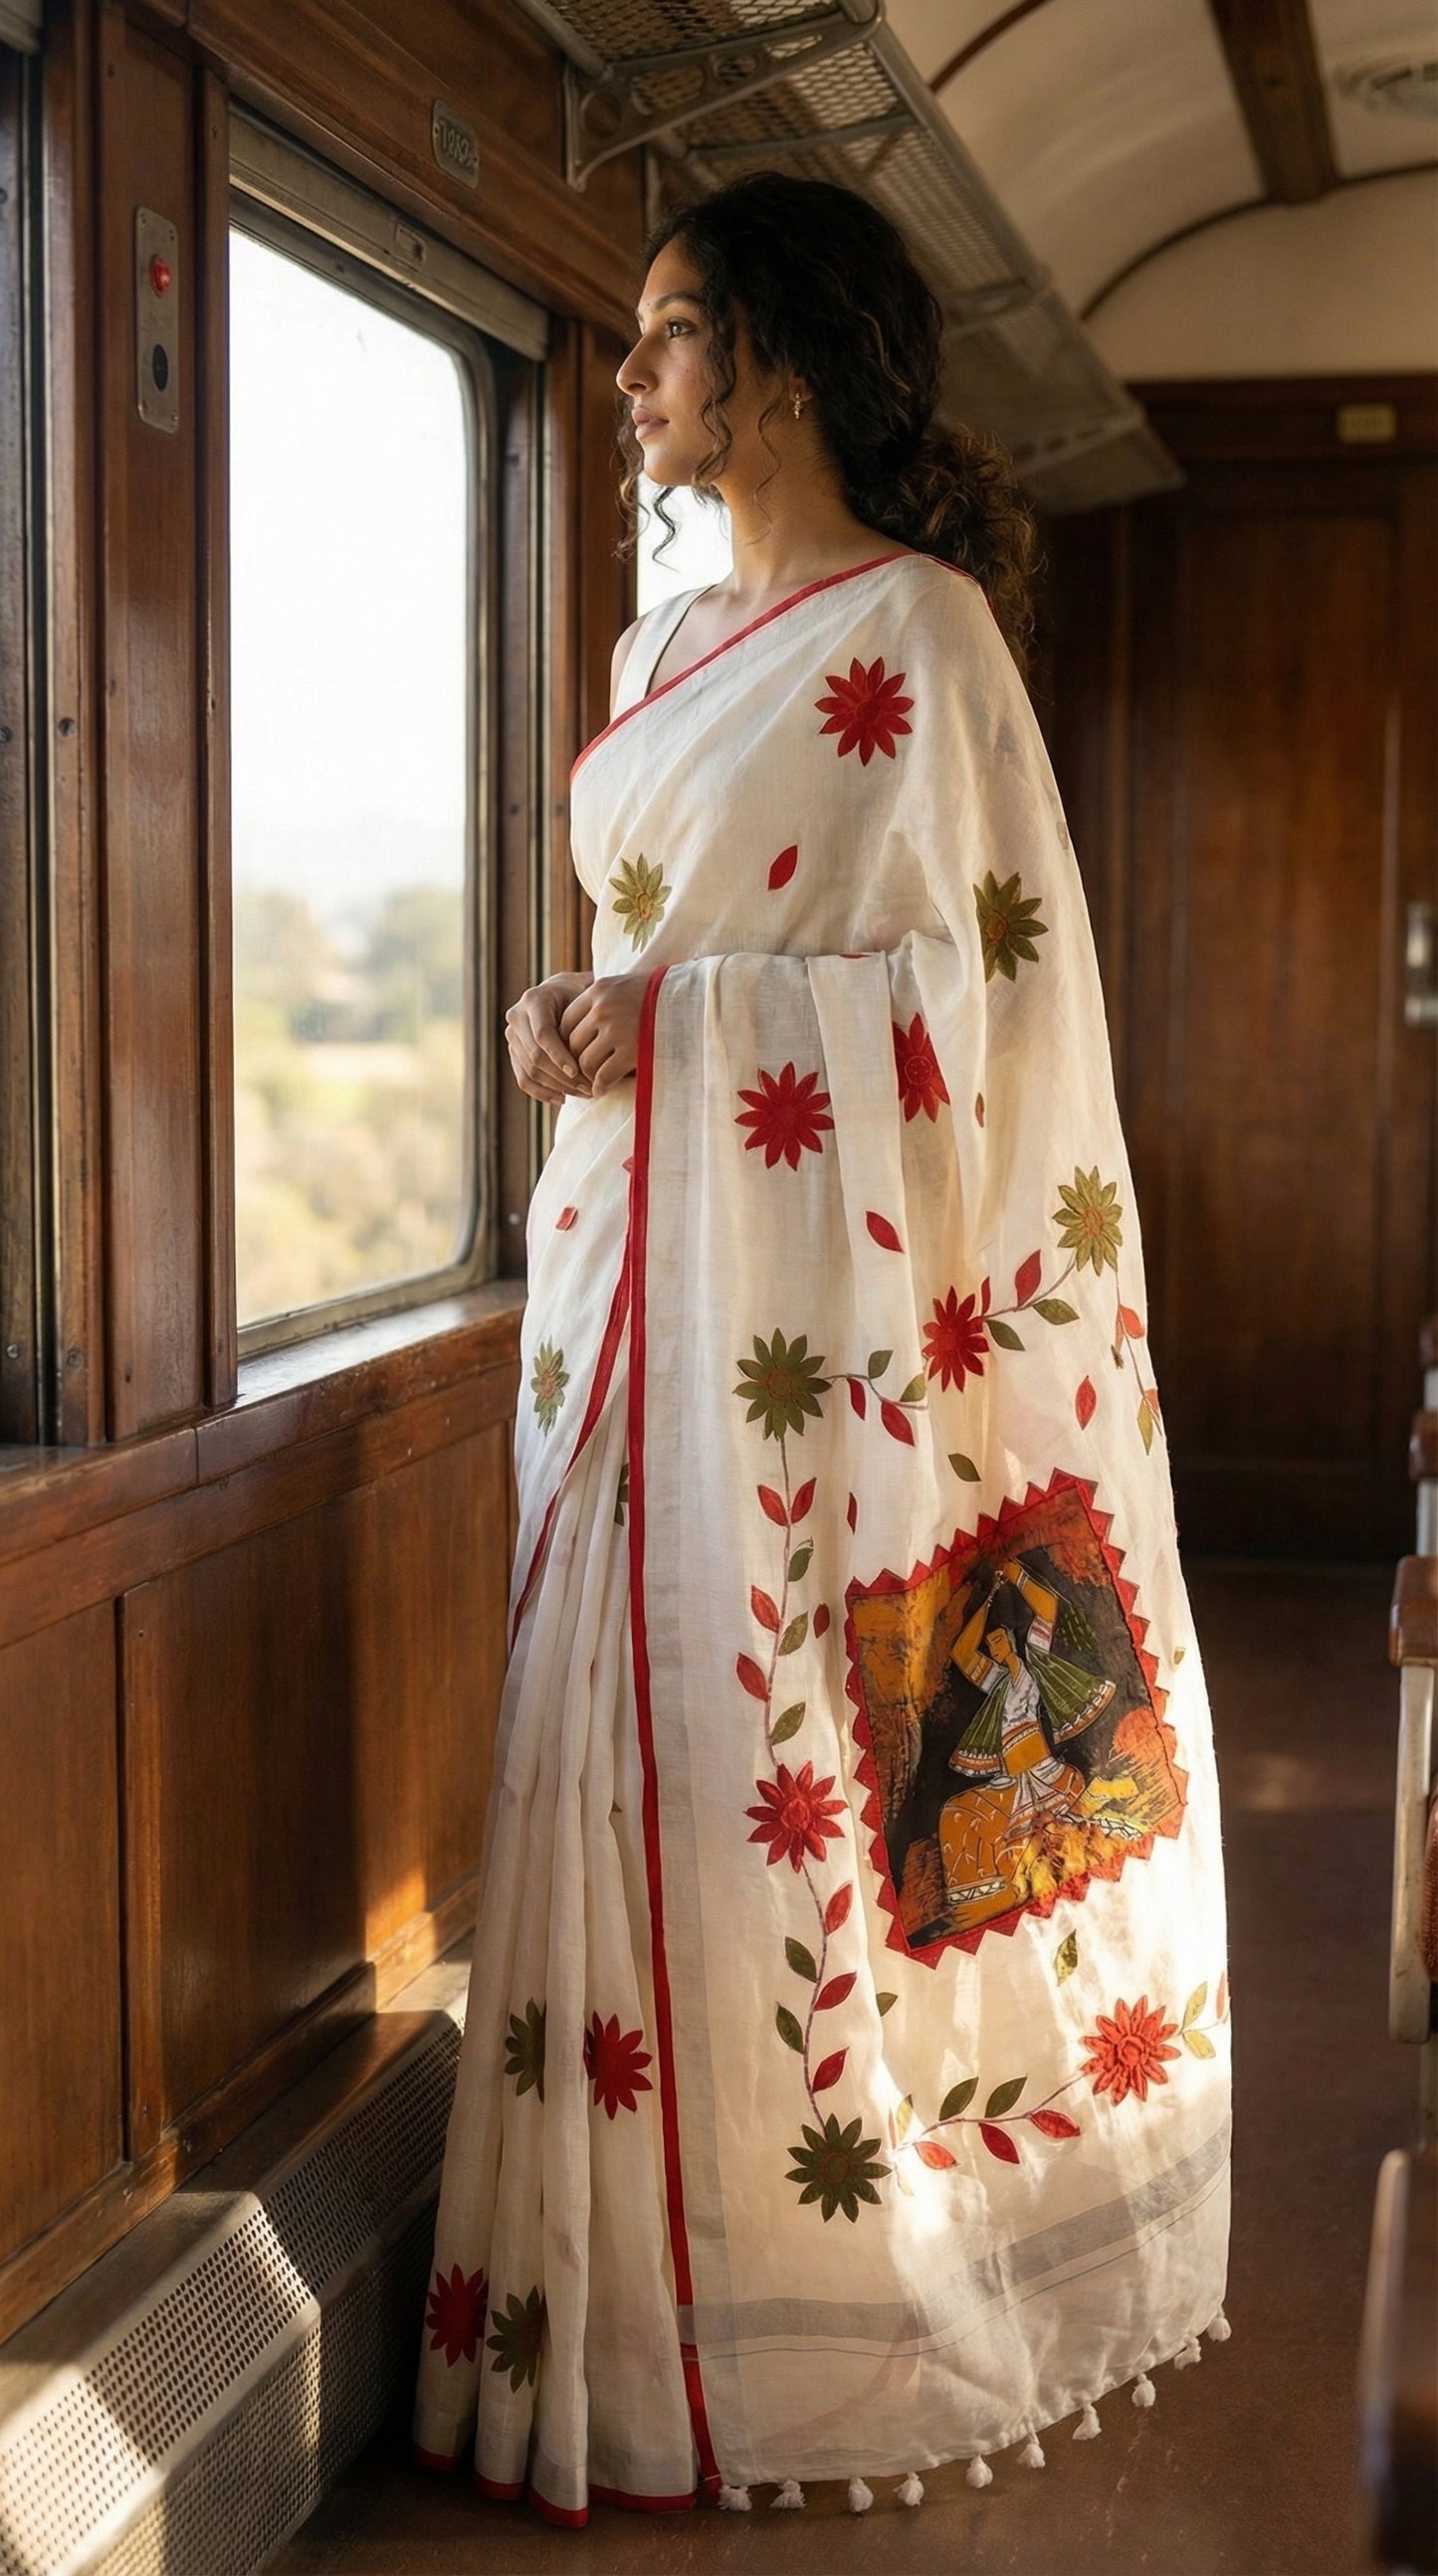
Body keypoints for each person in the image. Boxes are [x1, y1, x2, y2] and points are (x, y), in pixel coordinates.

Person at [411, 170, 1230, 2528]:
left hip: (807, 1336)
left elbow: (980, 1018)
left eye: (673, 337)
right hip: (620, 1311)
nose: (642, 377)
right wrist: (595, 1031)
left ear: (774, 364)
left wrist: (663, 1024)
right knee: (632, 1755)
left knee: (793, 1787)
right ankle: (606, 2320)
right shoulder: (661, 654)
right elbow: (655, 937)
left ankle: (794, 2313)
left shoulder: (930, 641)